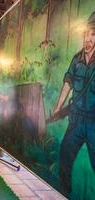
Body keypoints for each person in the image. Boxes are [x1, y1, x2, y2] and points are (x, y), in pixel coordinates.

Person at [52, 12, 95, 197]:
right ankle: (64, 194)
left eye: (93, 34)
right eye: (86, 34)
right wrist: (58, 106)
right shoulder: (77, 60)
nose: (88, 39)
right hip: (76, 121)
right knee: (64, 160)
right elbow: (68, 82)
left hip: (94, 123)